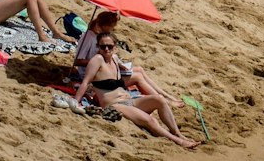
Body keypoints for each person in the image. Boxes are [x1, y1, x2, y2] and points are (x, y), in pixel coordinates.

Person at [71, 31, 201, 148]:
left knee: (159, 99)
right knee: (150, 120)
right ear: (97, 47)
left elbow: (128, 73)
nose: (106, 49)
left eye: (109, 46)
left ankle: (177, 133)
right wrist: (76, 102)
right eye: (102, 46)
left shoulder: (115, 60)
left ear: (115, 47)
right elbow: (86, 82)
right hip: (115, 105)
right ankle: (178, 141)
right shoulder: (97, 60)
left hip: (130, 100)